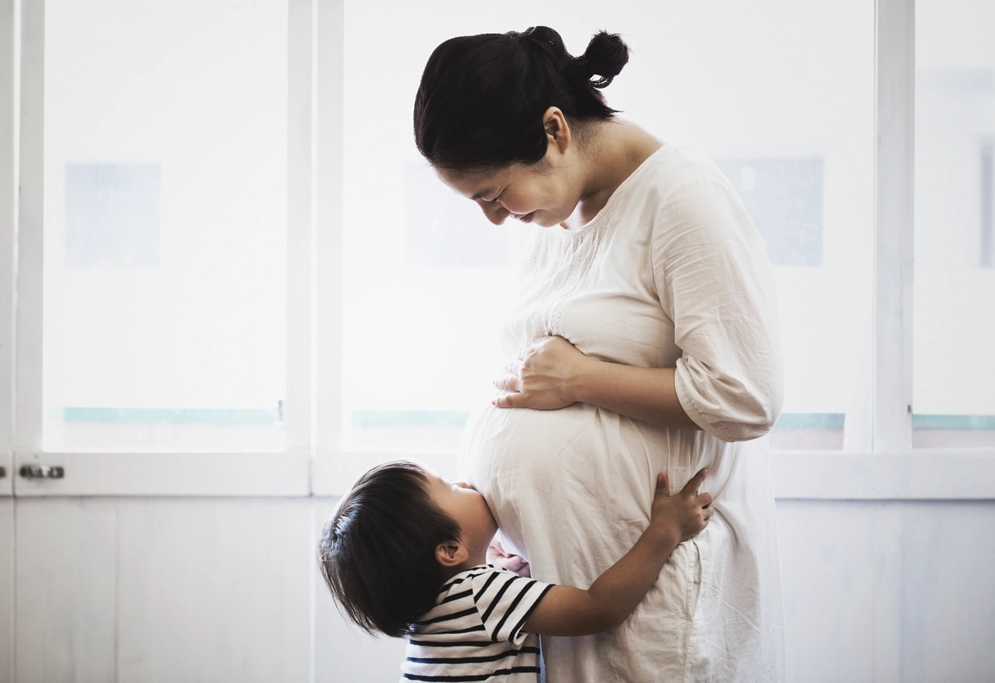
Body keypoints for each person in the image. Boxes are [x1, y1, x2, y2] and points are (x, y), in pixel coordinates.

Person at [413, 27, 786, 682]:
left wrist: (582, 379)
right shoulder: (554, 215)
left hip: (655, 598)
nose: (496, 219)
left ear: (554, 130)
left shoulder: (681, 198)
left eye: (495, 195)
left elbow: (744, 394)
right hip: (562, 597)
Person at [319, 460, 714, 682]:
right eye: (450, 488)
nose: (462, 482)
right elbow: (599, 608)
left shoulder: (433, 616)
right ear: (450, 551)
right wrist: (666, 530)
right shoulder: (478, 594)